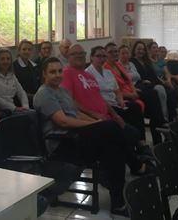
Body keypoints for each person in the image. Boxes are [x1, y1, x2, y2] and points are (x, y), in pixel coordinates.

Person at [33, 57, 130, 216]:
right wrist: (96, 126)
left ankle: (118, 203)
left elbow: (76, 113)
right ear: (44, 74)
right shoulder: (44, 94)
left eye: (59, 71)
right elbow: (63, 122)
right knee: (112, 129)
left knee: (114, 150)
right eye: (52, 72)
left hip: (76, 137)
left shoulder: (62, 91)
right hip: (62, 143)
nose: (57, 75)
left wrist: (97, 122)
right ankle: (135, 163)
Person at [61, 44, 148, 174]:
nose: (79, 56)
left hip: (105, 116)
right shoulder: (67, 73)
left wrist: (115, 115)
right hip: (89, 122)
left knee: (131, 132)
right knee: (120, 134)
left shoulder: (88, 76)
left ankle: (131, 163)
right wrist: (94, 115)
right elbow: (70, 101)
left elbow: (100, 98)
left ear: (85, 56)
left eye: (81, 53)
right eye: (75, 54)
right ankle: (136, 166)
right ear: (68, 57)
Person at [86, 46, 151, 154]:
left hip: (116, 103)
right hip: (104, 106)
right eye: (98, 56)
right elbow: (95, 96)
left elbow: (117, 91)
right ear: (91, 57)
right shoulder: (88, 73)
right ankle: (132, 147)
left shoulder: (107, 72)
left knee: (135, 107)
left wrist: (120, 100)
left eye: (103, 56)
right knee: (129, 117)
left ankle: (141, 143)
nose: (101, 59)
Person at [105, 42, 167, 145]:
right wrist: (132, 94)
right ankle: (159, 129)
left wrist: (134, 91)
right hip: (124, 96)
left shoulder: (118, 65)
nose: (114, 54)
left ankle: (158, 133)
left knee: (154, 94)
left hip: (132, 91)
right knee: (152, 96)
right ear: (106, 54)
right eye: (111, 52)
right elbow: (114, 90)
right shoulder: (106, 68)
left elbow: (129, 81)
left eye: (115, 51)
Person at [119, 44, 170, 124]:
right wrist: (134, 86)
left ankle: (162, 118)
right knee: (155, 92)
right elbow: (127, 79)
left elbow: (137, 76)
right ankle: (160, 119)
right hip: (133, 88)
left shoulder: (131, 64)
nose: (125, 55)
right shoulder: (120, 65)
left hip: (141, 84)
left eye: (127, 53)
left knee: (160, 91)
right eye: (123, 53)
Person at [131, 40, 178, 121]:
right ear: (134, 50)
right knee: (160, 90)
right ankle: (164, 117)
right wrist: (143, 81)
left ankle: (172, 117)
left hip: (154, 82)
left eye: (142, 49)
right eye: (138, 49)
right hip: (143, 85)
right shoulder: (132, 61)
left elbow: (154, 75)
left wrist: (165, 83)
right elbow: (134, 77)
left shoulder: (146, 61)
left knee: (171, 91)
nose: (141, 51)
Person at [0, 48, 30, 114]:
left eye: (8, 59)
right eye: (2, 59)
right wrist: (14, 108)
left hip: (13, 109)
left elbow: (21, 92)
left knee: (33, 114)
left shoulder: (11, 75)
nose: (6, 61)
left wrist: (25, 107)